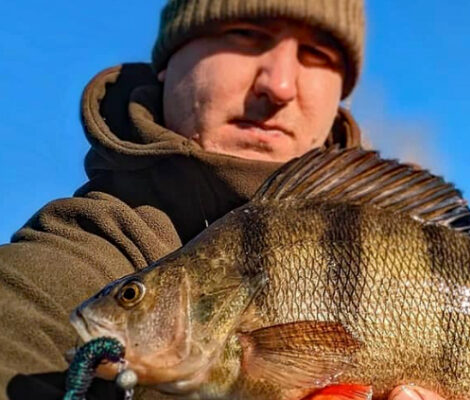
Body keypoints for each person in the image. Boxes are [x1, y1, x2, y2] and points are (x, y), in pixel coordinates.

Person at [0, 1, 443, 399]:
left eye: (317, 54)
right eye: (246, 34)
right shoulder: (44, 283)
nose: (280, 85)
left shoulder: (395, 221)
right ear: (170, 59)